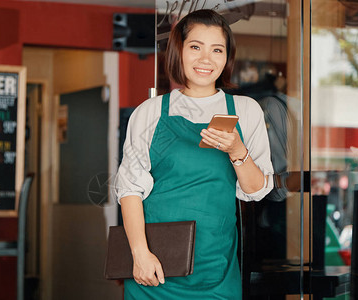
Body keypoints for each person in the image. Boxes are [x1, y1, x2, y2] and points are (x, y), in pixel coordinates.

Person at [114, 9, 273, 299]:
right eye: (196, 47)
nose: (205, 59)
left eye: (217, 50)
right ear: (179, 51)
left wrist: (237, 150)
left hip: (217, 270)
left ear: (227, 57)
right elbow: (129, 190)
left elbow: (255, 190)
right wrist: (139, 254)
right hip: (154, 269)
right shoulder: (150, 112)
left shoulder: (245, 110)